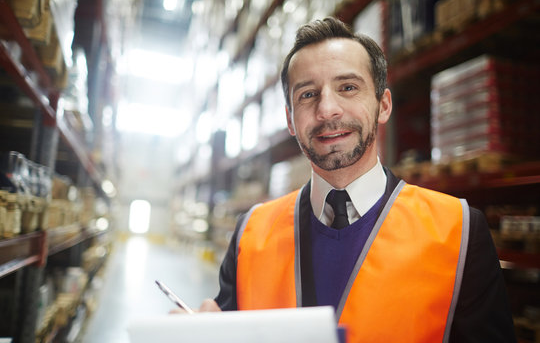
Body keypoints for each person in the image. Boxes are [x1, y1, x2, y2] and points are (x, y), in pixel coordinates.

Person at [194, 17, 516, 342]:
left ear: (383, 105)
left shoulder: (459, 232)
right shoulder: (249, 236)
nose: (327, 110)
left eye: (348, 87)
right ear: (290, 119)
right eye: (307, 94)